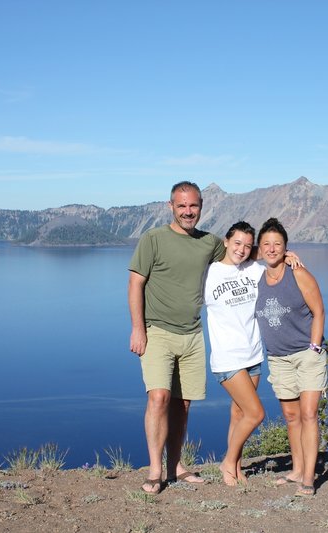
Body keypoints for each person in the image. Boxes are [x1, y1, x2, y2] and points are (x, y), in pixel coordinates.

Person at [128, 181, 225, 494]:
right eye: (181, 206)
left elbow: (240, 254)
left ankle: (175, 466)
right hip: (157, 331)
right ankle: (155, 470)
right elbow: (135, 285)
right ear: (170, 206)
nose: (188, 211)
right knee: (158, 398)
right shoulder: (153, 239)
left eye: (193, 206)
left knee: (183, 405)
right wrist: (138, 328)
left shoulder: (209, 242)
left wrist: (281, 254)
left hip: (193, 334)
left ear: (201, 207)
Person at [254, 217, 327, 497]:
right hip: (278, 357)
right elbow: (233, 249)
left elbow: (319, 311)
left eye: (278, 244)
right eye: (266, 244)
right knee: (291, 416)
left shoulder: (298, 273)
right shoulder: (255, 277)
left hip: (306, 355)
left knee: (308, 414)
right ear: (259, 249)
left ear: (286, 247)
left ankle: (308, 478)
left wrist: (314, 347)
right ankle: (297, 470)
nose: (272, 249)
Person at [202, 221, 266, 486]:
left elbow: (276, 267)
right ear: (226, 241)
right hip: (228, 358)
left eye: (247, 245)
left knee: (240, 414)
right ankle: (228, 461)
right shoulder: (208, 273)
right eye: (237, 243)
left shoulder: (254, 269)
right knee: (256, 413)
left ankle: (236, 468)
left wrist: (289, 257)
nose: (241, 249)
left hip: (253, 355)